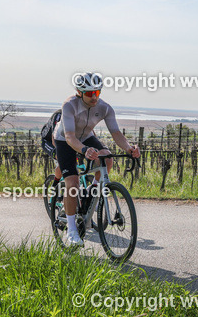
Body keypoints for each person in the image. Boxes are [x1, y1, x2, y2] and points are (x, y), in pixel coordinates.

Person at [53, 72, 141, 246]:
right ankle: (71, 231)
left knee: (107, 159)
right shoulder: (69, 105)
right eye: (89, 93)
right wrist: (84, 150)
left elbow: (115, 133)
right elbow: (70, 136)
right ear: (79, 92)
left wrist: (129, 148)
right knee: (72, 182)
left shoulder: (105, 108)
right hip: (65, 140)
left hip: (85, 136)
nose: (94, 97)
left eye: (97, 92)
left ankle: (91, 192)